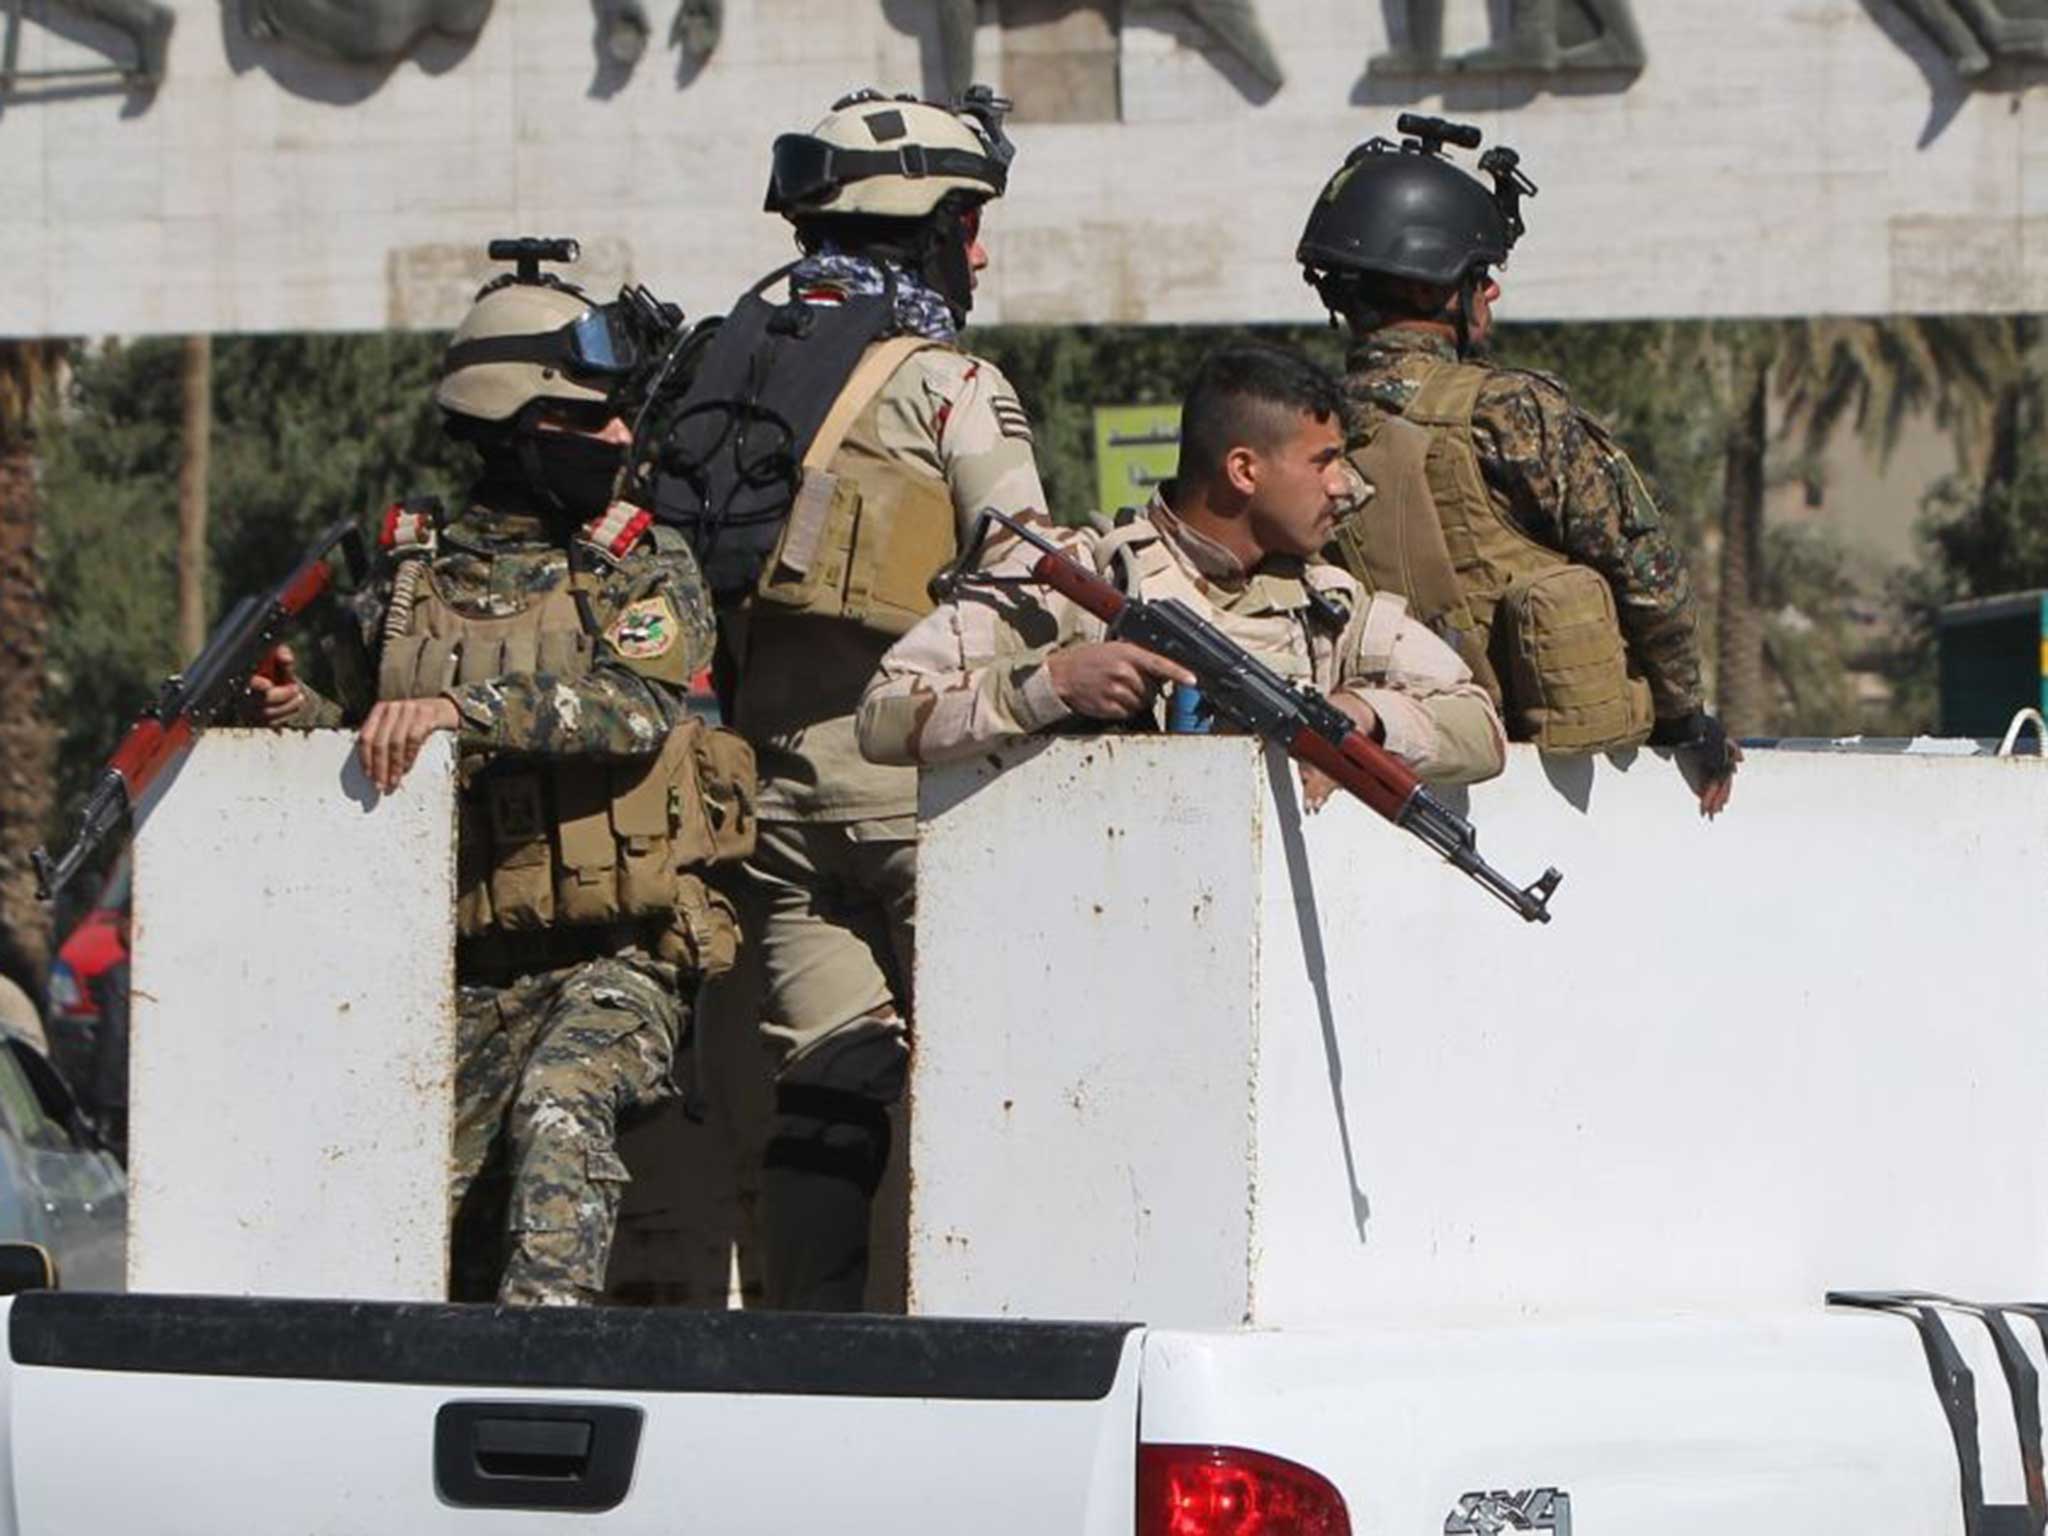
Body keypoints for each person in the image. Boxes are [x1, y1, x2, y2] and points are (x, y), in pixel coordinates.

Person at [249, 247, 744, 1306]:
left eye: (619, 415)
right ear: (512, 430)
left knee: (558, 1115)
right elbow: (362, 730)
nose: (617, 438)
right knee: (422, 1215)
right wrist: (301, 713)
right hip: (461, 968)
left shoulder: (637, 562)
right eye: (586, 420)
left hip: (619, 957)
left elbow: (636, 705)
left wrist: (461, 712)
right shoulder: (407, 568)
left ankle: (544, 1377)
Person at [649, 86, 1049, 1311]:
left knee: (830, 1078)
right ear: (923, 226)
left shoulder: (717, 370)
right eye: (964, 221)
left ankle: (811, 1350)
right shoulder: (946, 383)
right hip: (915, 786)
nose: (975, 250)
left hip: (760, 796)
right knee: (997, 1077)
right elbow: (1030, 573)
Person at [1297, 117, 1740, 816]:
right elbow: (1645, 570)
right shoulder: (1508, 408)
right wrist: (1688, 718)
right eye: (1479, 275)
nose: (1491, 293)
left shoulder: (1298, 427)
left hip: (1382, 758)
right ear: (1427, 287)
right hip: (1548, 784)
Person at [857, 343, 1507, 800]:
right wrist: (1051, 683)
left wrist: (1362, 713)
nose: (1343, 487)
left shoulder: (1328, 608)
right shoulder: (1088, 584)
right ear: (1244, 470)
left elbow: (1481, 729)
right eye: (1323, 462)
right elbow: (882, 717)